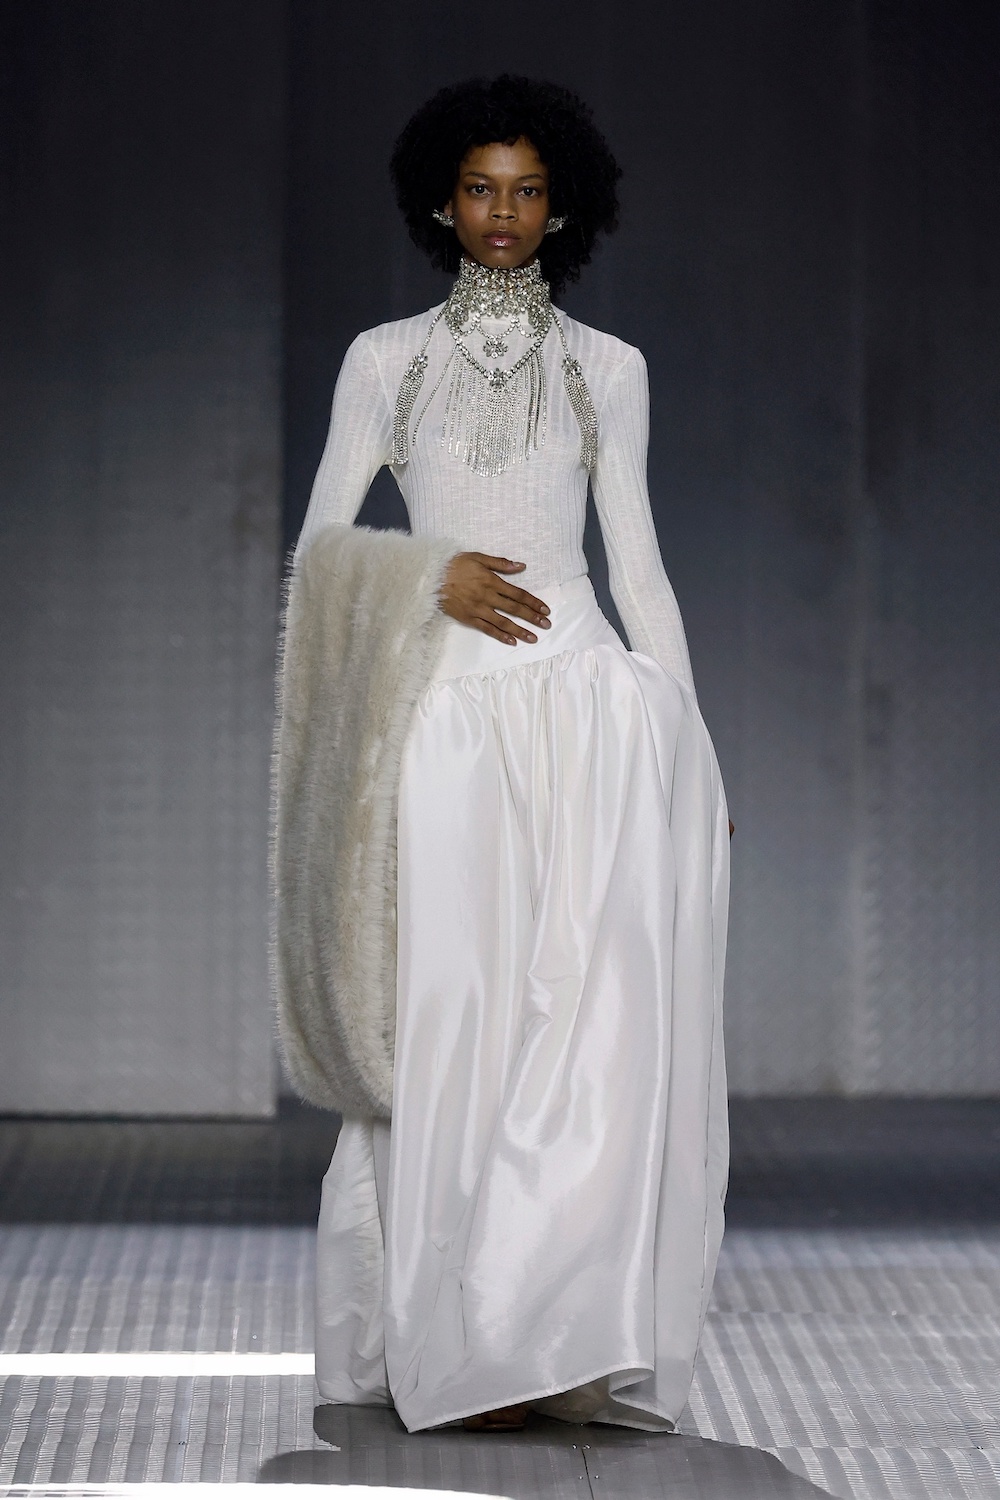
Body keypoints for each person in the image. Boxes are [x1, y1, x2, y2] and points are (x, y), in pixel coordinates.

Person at [295, 75, 731, 1435]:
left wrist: (691, 748)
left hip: (590, 717)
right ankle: (453, 1334)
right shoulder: (385, 362)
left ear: (562, 207)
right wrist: (429, 574)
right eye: (481, 188)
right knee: (452, 1023)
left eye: (528, 190)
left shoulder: (611, 368)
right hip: (444, 726)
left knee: (590, 1030)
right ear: (441, 201)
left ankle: (557, 1343)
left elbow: (638, 566)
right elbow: (316, 553)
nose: (503, 211)